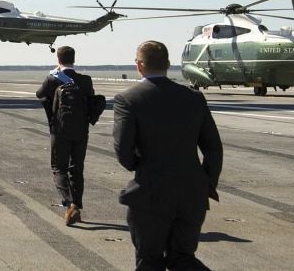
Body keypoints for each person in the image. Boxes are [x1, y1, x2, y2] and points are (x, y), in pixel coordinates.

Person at [113, 40, 224, 271]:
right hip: (191, 194)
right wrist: (206, 181)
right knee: (183, 258)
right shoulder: (193, 98)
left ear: (139, 66)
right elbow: (213, 148)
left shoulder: (129, 99)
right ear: (168, 64)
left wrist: (144, 168)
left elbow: (123, 151)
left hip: (150, 192)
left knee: (149, 260)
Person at [36, 46, 94, 225]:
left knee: (59, 168)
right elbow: (91, 100)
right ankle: (76, 204)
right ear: (74, 59)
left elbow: (39, 94)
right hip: (81, 130)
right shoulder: (85, 80)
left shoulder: (53, 78)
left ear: (58, 59)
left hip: (59, 130)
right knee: (77, 169)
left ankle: (70, 204)